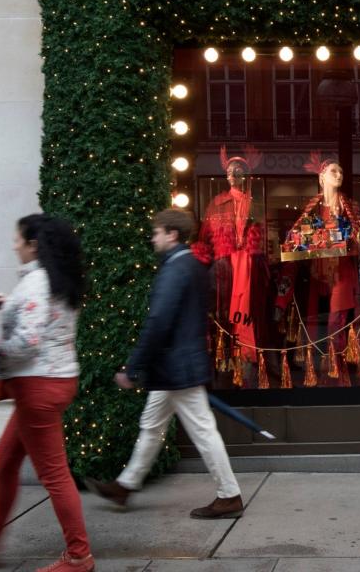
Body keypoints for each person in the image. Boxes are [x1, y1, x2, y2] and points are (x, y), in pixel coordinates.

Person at [85, 208, 243, 519]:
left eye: (156, 232)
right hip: (177, 367)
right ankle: (125, 485)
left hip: (175, 369)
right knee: (151, 425)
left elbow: (158, 321)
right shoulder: (192, 266)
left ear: (172, 234)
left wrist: (133, 368)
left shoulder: (174, 269)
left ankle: (229, 494)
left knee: (202, 431)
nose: (152, 237)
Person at [0, 214, 94, 571]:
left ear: (33, 245)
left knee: (54, 474)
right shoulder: (54, 279)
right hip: (53, 381)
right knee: (4, 462)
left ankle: (79, 556)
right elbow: (42, 317)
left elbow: (28, 339)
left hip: (36, 387)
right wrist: (8, 302)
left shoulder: (37, 281)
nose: (13, 245)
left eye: (17, 239)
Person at [275, 154, 360, 386]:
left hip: (342, 271)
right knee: (314, 320)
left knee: (336, 321)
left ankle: (336, 366)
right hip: (317, 272)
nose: (339, 175)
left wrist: (357, 244)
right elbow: (296, 239)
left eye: (341, 172)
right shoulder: (312, 208)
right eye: (333, 171)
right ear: (321, 177)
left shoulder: (350, 207)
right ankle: (316, 364)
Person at [193, 146, 271, 380]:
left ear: (247, 175)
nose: (234, 175)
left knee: (249, 315)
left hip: (249, 268)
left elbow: (263, 240)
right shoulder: (217, 204)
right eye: (230, 171)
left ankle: (248, 363)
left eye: (238, 171)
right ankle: (228, 364)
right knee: (225, 315)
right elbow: (205, 238)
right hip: (225, 269)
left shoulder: (256, 205)